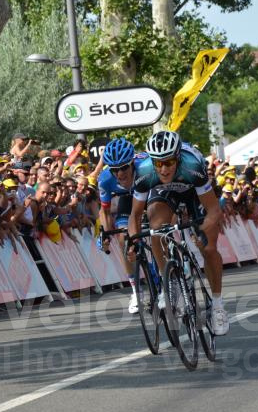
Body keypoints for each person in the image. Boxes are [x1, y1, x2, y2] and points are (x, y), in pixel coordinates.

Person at [127, 131, 228, 335]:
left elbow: (213, 210)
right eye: (159, 164)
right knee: (155, 228)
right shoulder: (145, 171)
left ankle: (217, 305)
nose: (164, 169)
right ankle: (170, 283)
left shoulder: (193, 165)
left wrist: (204, 229)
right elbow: (135, 215)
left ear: (178, 157)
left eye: (169, 162)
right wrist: (133, 242)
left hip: (194, 192)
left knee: (208, 247)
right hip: (164, 193)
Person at [97, 138, 146, 313]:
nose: (119, 173)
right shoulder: (105, 179)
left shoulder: (145, 167)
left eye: (124, 167)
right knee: (123, 239)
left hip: (148, 197)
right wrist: (104, 234)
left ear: (132, 162)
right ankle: (135, 291)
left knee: (158, 229)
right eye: (114, 169)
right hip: (127, 201)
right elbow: (105, 212)